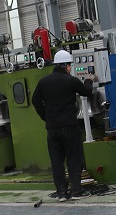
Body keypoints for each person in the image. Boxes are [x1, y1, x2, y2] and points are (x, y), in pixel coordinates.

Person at [32, 49, 96, 201]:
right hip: (69, 126)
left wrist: (46, 116)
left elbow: (35, 100)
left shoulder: (44, 81)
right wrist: (89, 79)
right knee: (73, 158)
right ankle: (76, 191)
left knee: (57, 160)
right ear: (67, 66)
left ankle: (61, 192)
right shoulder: (71, 80)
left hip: (52, 128)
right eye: (70, 66)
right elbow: (87, 92)